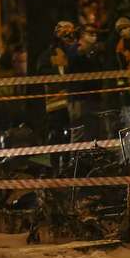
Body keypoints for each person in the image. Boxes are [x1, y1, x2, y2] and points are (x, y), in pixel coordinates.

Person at [35, 21, 77, 170]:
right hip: (56, 102)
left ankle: (69, 164)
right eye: (67, 35)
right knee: (57, 134)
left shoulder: (74, 52)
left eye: (72, 35)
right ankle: (55, 165)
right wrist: (58, 76)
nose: (70, 38)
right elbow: (41, 71)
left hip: (74, 101)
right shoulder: (49, 54)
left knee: (72, 134)